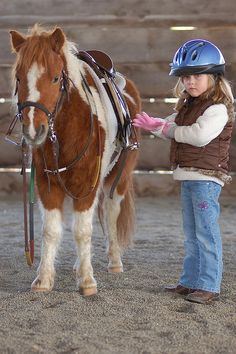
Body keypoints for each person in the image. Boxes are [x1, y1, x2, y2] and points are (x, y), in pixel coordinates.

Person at [133, 39, 235, 304]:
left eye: (196, 76)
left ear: (213, 76)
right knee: (191, 234)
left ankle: (209, 285)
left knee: (206, 233)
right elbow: (169, 125)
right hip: (189, 177)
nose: (190, 82)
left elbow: (199, 136)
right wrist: (154, 124)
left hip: (206, 179)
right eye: (186, 77)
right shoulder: (187, 105)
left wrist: (167, 129)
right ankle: (190, 281)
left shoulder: (217, 109)